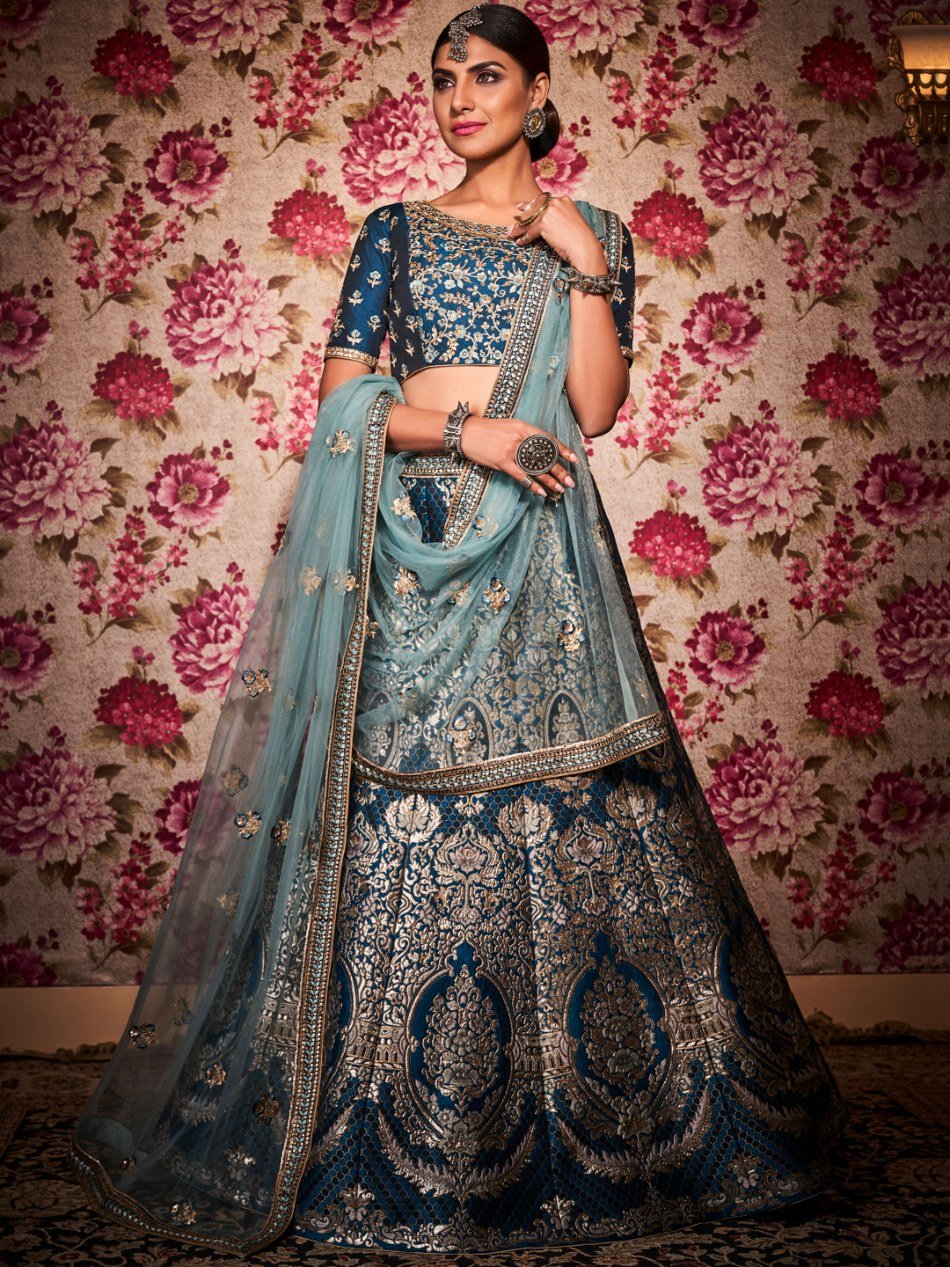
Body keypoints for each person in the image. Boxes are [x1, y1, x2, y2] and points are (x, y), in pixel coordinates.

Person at [69, 4, 846, 1257]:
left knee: (575, 804)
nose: (458, 98)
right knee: (403, 808)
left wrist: (575, 258)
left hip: (544, 552)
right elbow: (343, 409)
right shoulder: (395, 230)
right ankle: (385, 1128)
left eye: (485, 75)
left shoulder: (594, 235)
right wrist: (468, 432)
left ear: (538, 92)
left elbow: (594, 405)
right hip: (420, 534)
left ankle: (594, 1131)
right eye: (442, 80)